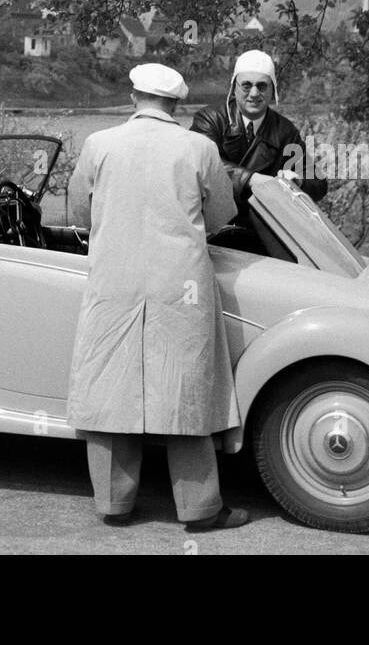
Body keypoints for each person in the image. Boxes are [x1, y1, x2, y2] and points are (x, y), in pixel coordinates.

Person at [67, 62, 248, 532]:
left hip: (114, 281)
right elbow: (221, 215)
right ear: (176, 104)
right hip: (180, 285)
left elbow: (78, 214)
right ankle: (201, 509)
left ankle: (113, 504)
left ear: (133, 98)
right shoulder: (198, 148)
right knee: (186, 392)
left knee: (112, 390)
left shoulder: (98, 145)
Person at [190, 50, 325, 228]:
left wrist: (297, 181)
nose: (254, 94)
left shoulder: (285, 130)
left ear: (272, 89)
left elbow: (318, 181)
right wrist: (253, 179)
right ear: (234, 88)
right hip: (213, 228)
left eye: (262, 86)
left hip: (261, 229)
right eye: (246, 85)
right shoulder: (210, 119)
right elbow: (204, 164)